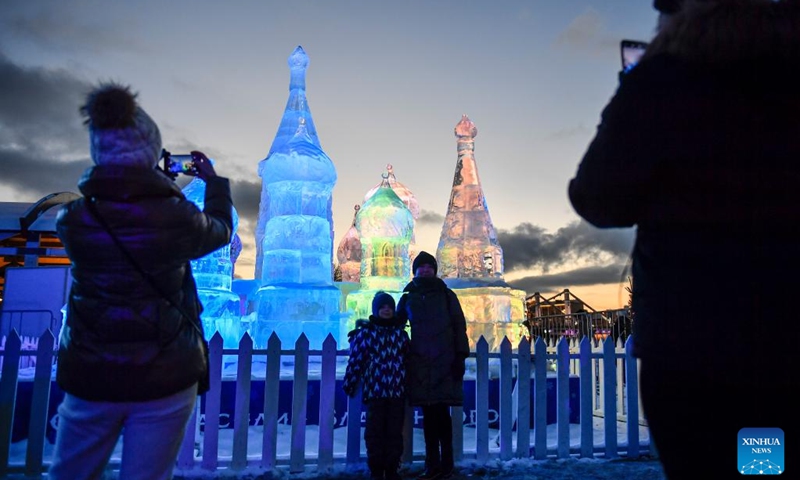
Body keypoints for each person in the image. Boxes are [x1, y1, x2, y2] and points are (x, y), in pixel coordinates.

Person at [568, 1, 800, 478]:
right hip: (786, 337)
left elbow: (597, 197)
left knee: (707, 463)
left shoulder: (664, 82)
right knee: (768, 465)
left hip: (693, 344)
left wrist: (629, 92)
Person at [50, 83, 233, 479]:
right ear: (152, 153)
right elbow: (219, 231)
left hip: (91, 372)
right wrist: (212, 182)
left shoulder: (75, 220)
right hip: (163, 373)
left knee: (71, 472)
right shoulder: (174, 216)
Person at [396, 252, 469, 480]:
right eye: (421, 267)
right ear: (415, 271)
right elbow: (396, 325)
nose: (425, 270)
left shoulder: (447, 296)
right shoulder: (409, 297)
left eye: (429, 267)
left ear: (434, 270)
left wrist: (460, 356)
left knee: (442, 416)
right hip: (420, 363)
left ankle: (446, 463)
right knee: (429, 417)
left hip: (444, 362)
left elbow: (459, 326)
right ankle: (432, 464)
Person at [342, 291, 410, 480]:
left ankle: (391, 468)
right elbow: (356, 360)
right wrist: (350, 381)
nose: (386, 310)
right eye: (382, 307)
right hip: (376, 391)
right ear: (376, 310)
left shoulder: (400, 335)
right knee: (375, 432)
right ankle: (377, 468)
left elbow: (408, 361)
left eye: (389, 307)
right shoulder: (366, 334)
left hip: (396, 391)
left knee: (394, 433)